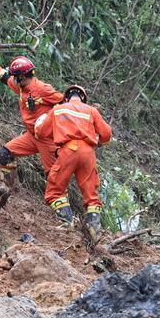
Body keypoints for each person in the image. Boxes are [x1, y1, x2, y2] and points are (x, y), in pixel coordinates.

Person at [35, 85, 112, 242]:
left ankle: (67, 222)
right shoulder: (91, 110)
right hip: (88, 153)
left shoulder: (58, 110)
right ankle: (94, 229)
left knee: (55, 190)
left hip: (68, 150)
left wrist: (42, 125)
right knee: (91, 193)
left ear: (67, 97)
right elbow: (107, 134)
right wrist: (98, 141)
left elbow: (41, 133)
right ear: (83, 98)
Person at [0, 56, 63, 186]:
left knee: (54, 178)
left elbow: (65, 102)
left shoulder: (42, 89)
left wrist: (50, 116)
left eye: (15, 76)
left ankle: (61, 205)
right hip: (31, 137)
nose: (13, 79)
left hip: (47, 140)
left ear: (23, 77)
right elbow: (3, 76)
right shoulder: (21, 87)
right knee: (5, 153)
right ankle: (8, 188)